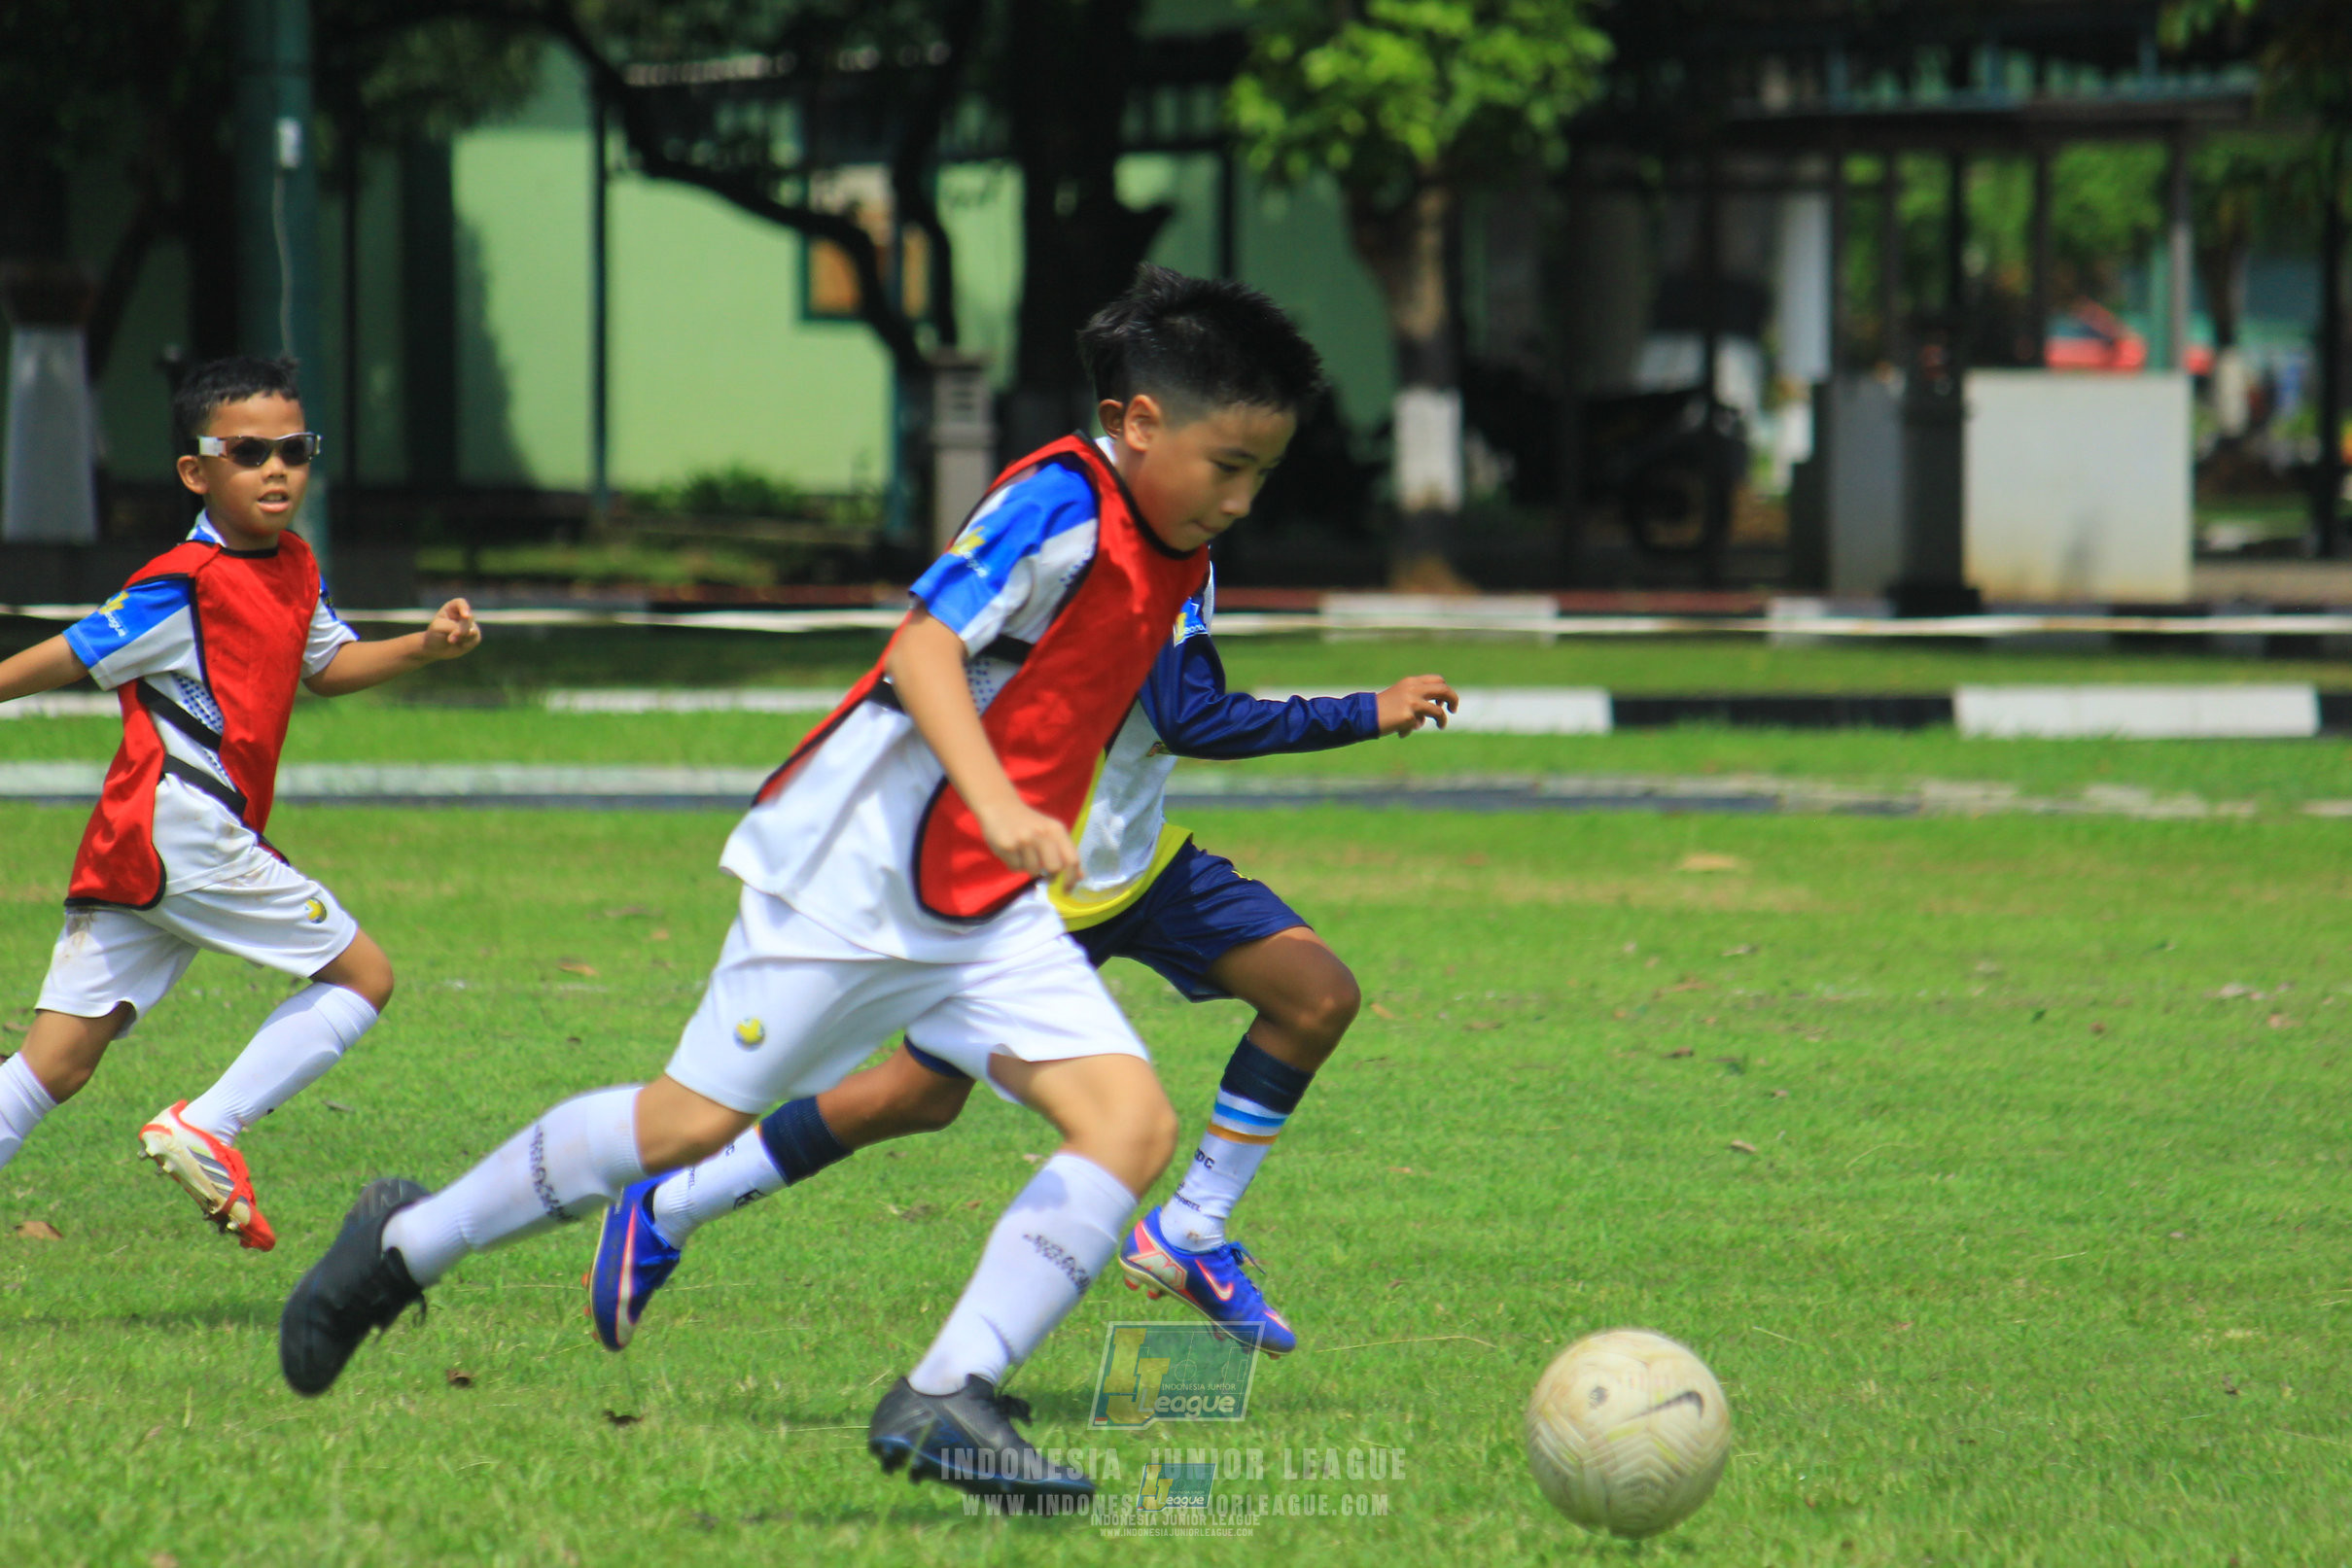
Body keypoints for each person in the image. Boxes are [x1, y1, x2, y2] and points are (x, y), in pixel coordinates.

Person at [276, 265, 1326, 1506]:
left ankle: (948, 1389)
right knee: (683, 1124)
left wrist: (1010, 821)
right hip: (856, 871)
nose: (1243, 498)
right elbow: (923, 646)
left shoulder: (1170, 541)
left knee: (1129, 1123)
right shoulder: (1062, 499)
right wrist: (996, 799)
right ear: (1138, 420)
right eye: (1229, 464)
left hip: (985, 905)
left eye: (1263, 472)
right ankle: (403, 1246)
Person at [587, 571, 1457, 1359]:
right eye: (1231, 464)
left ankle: (1189, 1232)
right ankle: (670, 1205)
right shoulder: (1119, 550)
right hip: (1036, 888)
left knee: (1315, 996)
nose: (1237, 488)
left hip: (1137, 863)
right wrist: (1364, 708)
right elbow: (1191, 713)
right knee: (915, 1095)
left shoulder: (1187, 532)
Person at [0, 356, 480, 1249]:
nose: (276, 469)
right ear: (197, 470)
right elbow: (72, 650)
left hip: (140, 845)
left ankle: (201, 1124)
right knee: (363, 975)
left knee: (56, 1061)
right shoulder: (184, 580)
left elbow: (327, 664)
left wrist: (424, 645)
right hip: (187, 827)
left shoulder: (294, 565)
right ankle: (208, 1124)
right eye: (248, 450)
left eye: (293, 449)